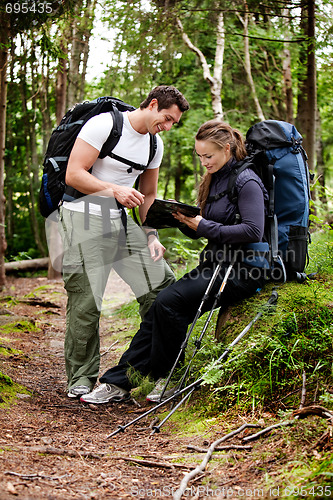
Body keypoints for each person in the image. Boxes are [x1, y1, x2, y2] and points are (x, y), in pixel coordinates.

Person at [79, 119, 270, 405]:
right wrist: (180, 220)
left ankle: (167, 377)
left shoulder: (247, 180)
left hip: (244, 269)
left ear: (227, 149)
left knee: (169, 303)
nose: (204, 162)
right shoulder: (216, 178)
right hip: (216, 263)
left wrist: (202, 225)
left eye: (209, 156)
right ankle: (118, 382)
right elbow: (209, 227)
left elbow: (253, 230)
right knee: (162, 307)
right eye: (200, 156)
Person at [59, 86, 190, 398]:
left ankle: (161, 368)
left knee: (162, 288)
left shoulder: (154, 145)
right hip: (82, 217)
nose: (169, 126)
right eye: (167, 118)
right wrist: (114, 190)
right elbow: (73, 174)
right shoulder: (105, 124)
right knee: (87, 301)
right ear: (153, 104)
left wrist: (151, 234)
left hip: (120, 223)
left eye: (174, 123)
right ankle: (81, 377)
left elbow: (148, 196)